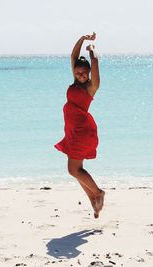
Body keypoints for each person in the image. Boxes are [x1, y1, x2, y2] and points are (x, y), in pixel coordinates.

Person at [54, 32, 105, 218]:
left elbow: (95, 65)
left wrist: (92, 52)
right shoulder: (75, 82)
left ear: (89, 72)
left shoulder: (91, 87)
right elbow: (73, 56)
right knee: (77, 169)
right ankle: (93, 199)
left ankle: (98, 193)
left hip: (82, 131)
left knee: (73, 169)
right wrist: (83, 39)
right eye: (77, 72)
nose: (80, 74)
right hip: (73, 131)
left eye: (84, 72)